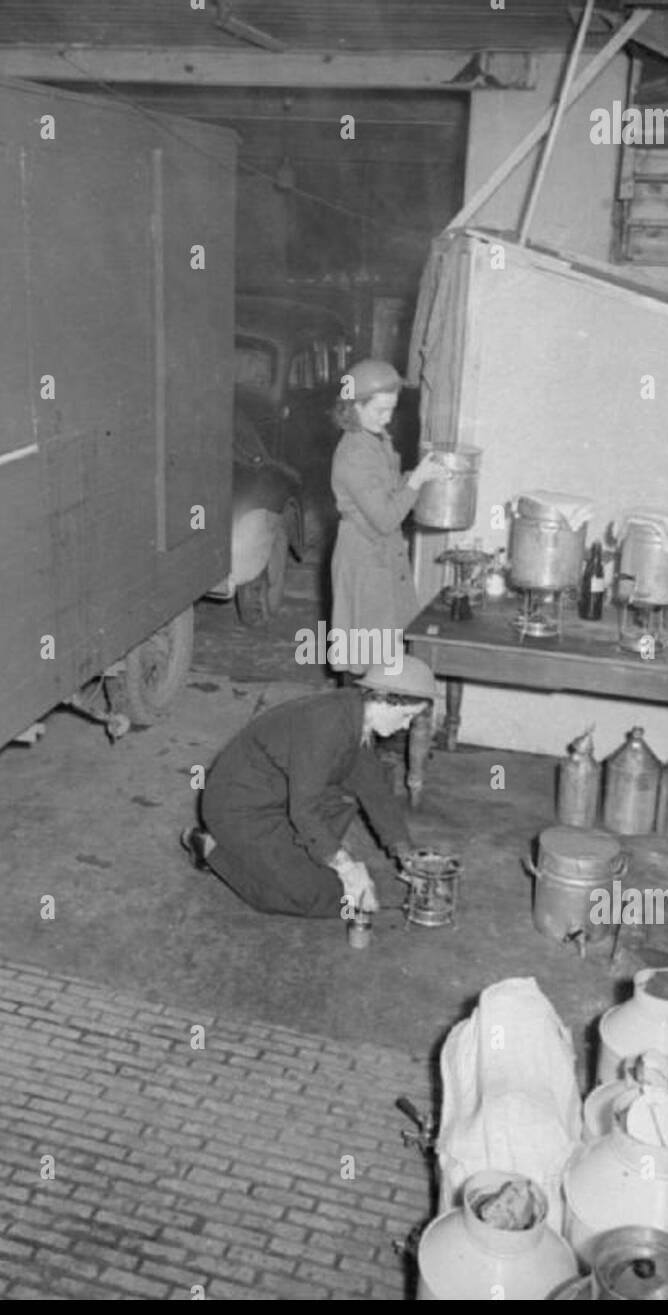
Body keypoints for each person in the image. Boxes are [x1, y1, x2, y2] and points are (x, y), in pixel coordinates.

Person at [180, 658, 437, 918]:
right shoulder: (328, 724)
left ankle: (287, 860)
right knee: (328, 897)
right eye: (406, 716)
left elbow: (373, 788)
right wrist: (346, 868)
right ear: (382, 698)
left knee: (344, 804)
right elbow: (304, 811)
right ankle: (211, 848)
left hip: (277, 797)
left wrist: (405, 852)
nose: (405, 726)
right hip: (238, 810)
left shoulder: (356, 713)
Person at [330, 359, 445, 675]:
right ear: (354, 407)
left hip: (381, 554)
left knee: (384, 651)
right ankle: (359, 717)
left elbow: (388, 488)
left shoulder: (375, 439)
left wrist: (418, 474)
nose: (388, 418)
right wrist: (416, 482)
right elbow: (384, 518)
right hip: (364, 559)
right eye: (380, 410)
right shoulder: (354, 454)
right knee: (369, 659)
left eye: (392, 409)